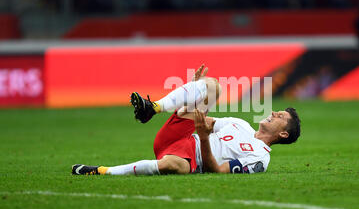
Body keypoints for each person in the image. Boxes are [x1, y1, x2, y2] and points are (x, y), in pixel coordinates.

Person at [72, 65, 301, 176]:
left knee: (175, 167)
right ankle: (153, 107)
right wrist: (194, 94)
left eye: (280, 117)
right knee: (212, 87)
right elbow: (195, 118)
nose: (273, 113)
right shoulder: (240, 124)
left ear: (283, 134)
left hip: (188, 158)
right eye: (277, 111)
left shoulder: (259, 159)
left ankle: (102, 171)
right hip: (177, 137)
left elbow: (218, 171)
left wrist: (203, 139)